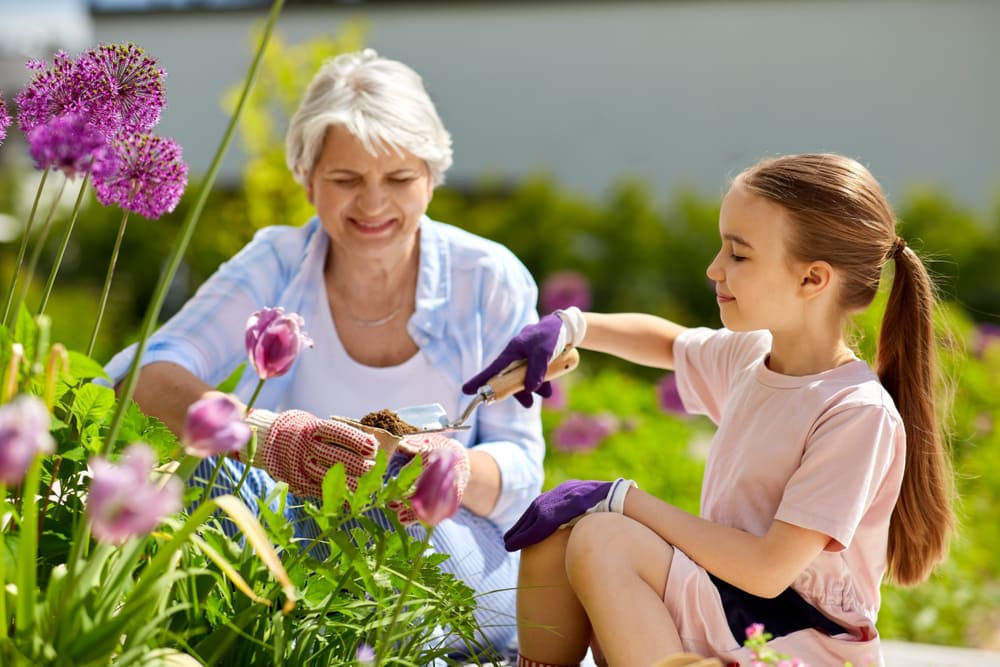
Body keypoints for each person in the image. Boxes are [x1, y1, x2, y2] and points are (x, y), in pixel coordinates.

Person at [104, 49, 544, 660]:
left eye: (398, 179)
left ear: (431, 178)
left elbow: (522, 467)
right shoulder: (279, 262)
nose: (373, 204)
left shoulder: (488, 278)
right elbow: (139, 376)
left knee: (383, 539)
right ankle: (324, 635)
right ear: (308, 178)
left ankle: (314, 635)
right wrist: (269, 435)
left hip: (439, 543)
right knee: (208, 471)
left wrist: (455, 470)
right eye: (346, 180)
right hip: (295, 528)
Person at [462, 153, 955, 667]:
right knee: (555, 537)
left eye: (738, 255)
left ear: (812, 280)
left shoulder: (855, 412)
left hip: (797, 642)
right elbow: (668, 343)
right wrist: (572, 326)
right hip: (727, 609)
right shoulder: (750, 357)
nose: (714, 268)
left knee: (604, 538)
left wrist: (619, 499)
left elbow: (768, 570)